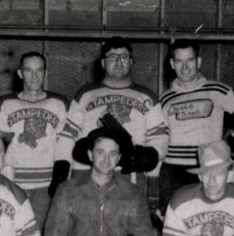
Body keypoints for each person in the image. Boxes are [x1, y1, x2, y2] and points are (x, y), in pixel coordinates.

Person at [158, 39, 234, 214]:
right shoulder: (164, 99)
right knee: (172, 224)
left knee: (208, 225)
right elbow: (160, 138)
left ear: (198, 61)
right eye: (179, 61)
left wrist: (228, 145)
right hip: (173, 173)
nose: (185, 67)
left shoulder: (218, 90)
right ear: (171, 64)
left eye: (190, 60)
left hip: (208, 171)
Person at [66, 37, 169, 211]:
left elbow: (159, 139)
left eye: (124, 56)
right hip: (88, 172)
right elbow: (68, 137)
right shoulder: (85, 94)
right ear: (103, 63)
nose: (119, 62)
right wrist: (64, 169)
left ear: (131, 61)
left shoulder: (147, 96)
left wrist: (149, 155)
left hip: (129, 175)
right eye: (113, 57)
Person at [0, 52, 73, 229]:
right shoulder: (5, 103)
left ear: (45, 73)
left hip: (46, 184)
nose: (34, 76)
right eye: (29, 71)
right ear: (20, 74)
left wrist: (60, 179)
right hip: (14, 181)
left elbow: (66, 144)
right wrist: (3, 181)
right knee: (11, 234)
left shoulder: (59, 103)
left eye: (39, 70)